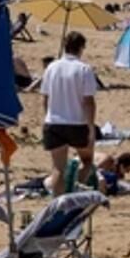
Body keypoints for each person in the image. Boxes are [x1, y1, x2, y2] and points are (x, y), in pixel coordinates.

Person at [40, 32, 100, 197]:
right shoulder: (84, 69)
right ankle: (76, 189)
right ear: (80, 48)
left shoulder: (51, 67)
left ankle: (58, 203)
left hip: (54, 122)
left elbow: (45, 98)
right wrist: (91, 128)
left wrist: (48, 117)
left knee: (58, 168)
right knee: (87, 161)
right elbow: (88, 102)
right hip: (77, 123)